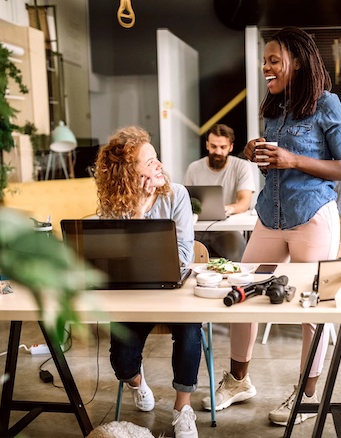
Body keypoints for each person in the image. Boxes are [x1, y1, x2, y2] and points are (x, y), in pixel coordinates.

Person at [201, 27, 341, 427]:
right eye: (265, 60)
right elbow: (273, 157)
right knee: (241, 293)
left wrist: (293, 160)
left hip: (311, 216)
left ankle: (306, 395)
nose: (266, 67)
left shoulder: (328, 105)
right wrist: (252, 151)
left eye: (274, 60)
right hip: (269, 217)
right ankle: (239, 381)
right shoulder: (273, 106)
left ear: (298, 61)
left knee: (313, 307)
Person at [95, 126, 202, 438]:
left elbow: (183, 255)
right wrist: (139, 210)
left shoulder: (177, 195)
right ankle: (136, 383)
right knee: (122, 360)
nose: (159, 166)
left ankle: (183, 408)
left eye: (157, 159)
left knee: (190, 335)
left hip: (173, 290)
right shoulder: (115, 205)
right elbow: (114, 262)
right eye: (150, 161)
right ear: (129, 172)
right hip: (134, 295)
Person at [184, 123, 255, 261]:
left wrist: (227, 209)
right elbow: (185, 201)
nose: (218, 151)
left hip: (228, 230)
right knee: (185, 258)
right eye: (213, 146)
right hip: (198, 230)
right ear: (207, 145)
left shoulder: (241, 167)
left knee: (239, 259)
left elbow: (244, 202)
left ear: (231, 147)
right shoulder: (194, 168)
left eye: (223, 147)